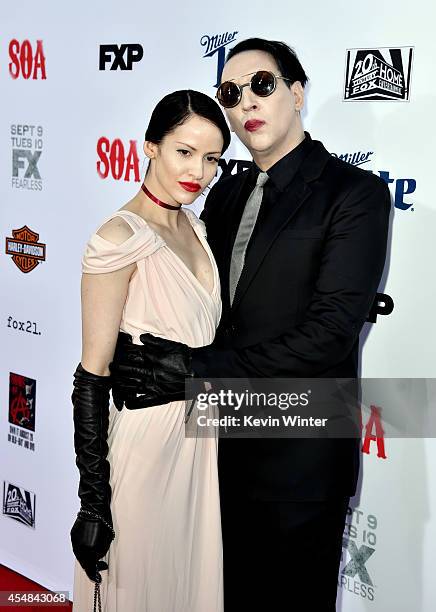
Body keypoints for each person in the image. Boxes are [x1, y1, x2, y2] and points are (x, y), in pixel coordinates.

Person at [110, 39, 391, 611]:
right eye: (230, 94)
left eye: (262, 85)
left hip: (300, 463)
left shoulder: (354, 193)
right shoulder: (225, 192)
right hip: (215, 455)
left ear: (296, 93)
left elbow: (329, 333)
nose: (245, 105)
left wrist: (193, 371)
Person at [70, 89, 231, 612]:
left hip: (201, 444)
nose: (199, 172)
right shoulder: (118, 237)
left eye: (211, 159)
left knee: (188, 584)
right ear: (150, 148)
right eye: (185, 152)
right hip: (146, 445)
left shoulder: (199, 229)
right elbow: (91, 375)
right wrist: (93, 502)